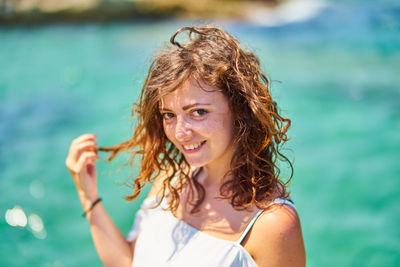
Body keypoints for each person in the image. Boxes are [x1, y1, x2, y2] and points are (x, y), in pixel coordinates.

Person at [66, 25, 306, 267]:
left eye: (198, 112)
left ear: (240, 109)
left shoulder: (272, 223)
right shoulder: (171, 180)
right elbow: (128, 261)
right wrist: (88, 195)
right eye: (169, 115)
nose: (180, 133)